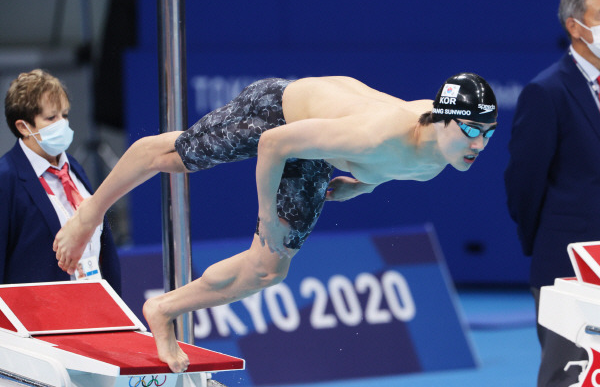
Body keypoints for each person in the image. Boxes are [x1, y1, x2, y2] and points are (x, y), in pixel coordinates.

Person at [54, 73, 497, 372]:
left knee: (267, 269)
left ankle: (162, 309)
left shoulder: (441, 156)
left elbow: (396, 166)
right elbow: (273, 143)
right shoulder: (377, 133)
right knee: (174, 157)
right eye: (472, 131)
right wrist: (267, 213)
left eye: (489, 133)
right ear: (444, 120)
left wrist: (364, 185)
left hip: (319, 149)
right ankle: (88, 215)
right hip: (281, 113)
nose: (480, 144)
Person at [504, 0, 600, 385]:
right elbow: (523, 184)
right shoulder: (546, 91)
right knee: (571, 375)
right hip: (568, 265)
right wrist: (545, 244)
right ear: (574, 27)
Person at [0, 69, 121, 294]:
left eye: (64, 115)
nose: (62, 124)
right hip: (38, 317)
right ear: (23, 127)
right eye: (51, 117)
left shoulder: (73, 167)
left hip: (96, 304)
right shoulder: (6, 177)